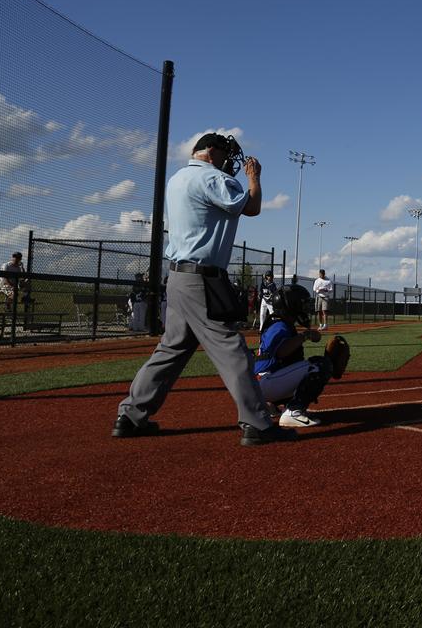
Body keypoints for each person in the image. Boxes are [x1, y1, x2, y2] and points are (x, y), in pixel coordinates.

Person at [113, 132, 296, 447]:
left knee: (171, 349)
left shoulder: (178, 178)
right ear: (210, 152)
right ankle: (257, 423)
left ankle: (131, 415)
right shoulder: (210, 178)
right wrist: (255, 179)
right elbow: (251, 207)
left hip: (178, 277)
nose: (230, 163)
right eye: (226, 155)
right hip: (201, 279)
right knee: (232, 349)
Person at [254, 283, 350, 427]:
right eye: (301, 303)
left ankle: (270, 405)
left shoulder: (278, 323)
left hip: (262, 384)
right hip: (266, 382)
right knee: (319, 365)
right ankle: (293, 411)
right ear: (290, 305)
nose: (304, 308)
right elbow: (280, 352)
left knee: (297, 363)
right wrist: (305, 335)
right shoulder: (280, 325)